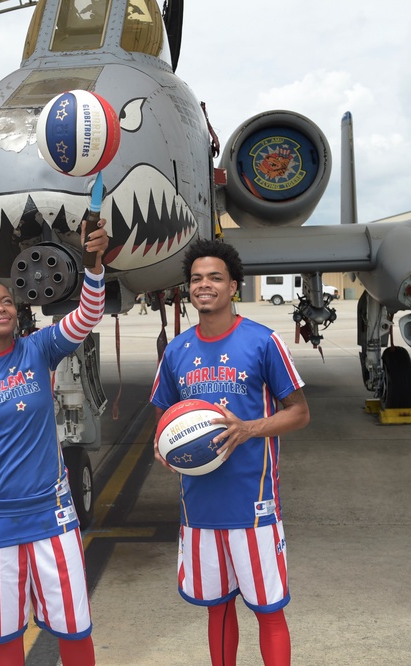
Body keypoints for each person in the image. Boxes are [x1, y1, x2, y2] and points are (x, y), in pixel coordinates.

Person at [0, 219, 109, 666]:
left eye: (7, 300)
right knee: (2, 634)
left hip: (51, 513)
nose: (2, 308)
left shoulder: (38, 349)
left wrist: (93, 264)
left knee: (73, 626)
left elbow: (87, 314)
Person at [150, 238, 310, 666]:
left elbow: (299, 414)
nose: (204, 285)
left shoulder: (263, 342)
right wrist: (161, 447)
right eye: (197, 278)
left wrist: (249, 428)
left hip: (253, 505)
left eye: (215, 277)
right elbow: (164, 418)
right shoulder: (177, 351)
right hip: (199, 507)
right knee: (217, 607)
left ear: (233, 286)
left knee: (268, 609)